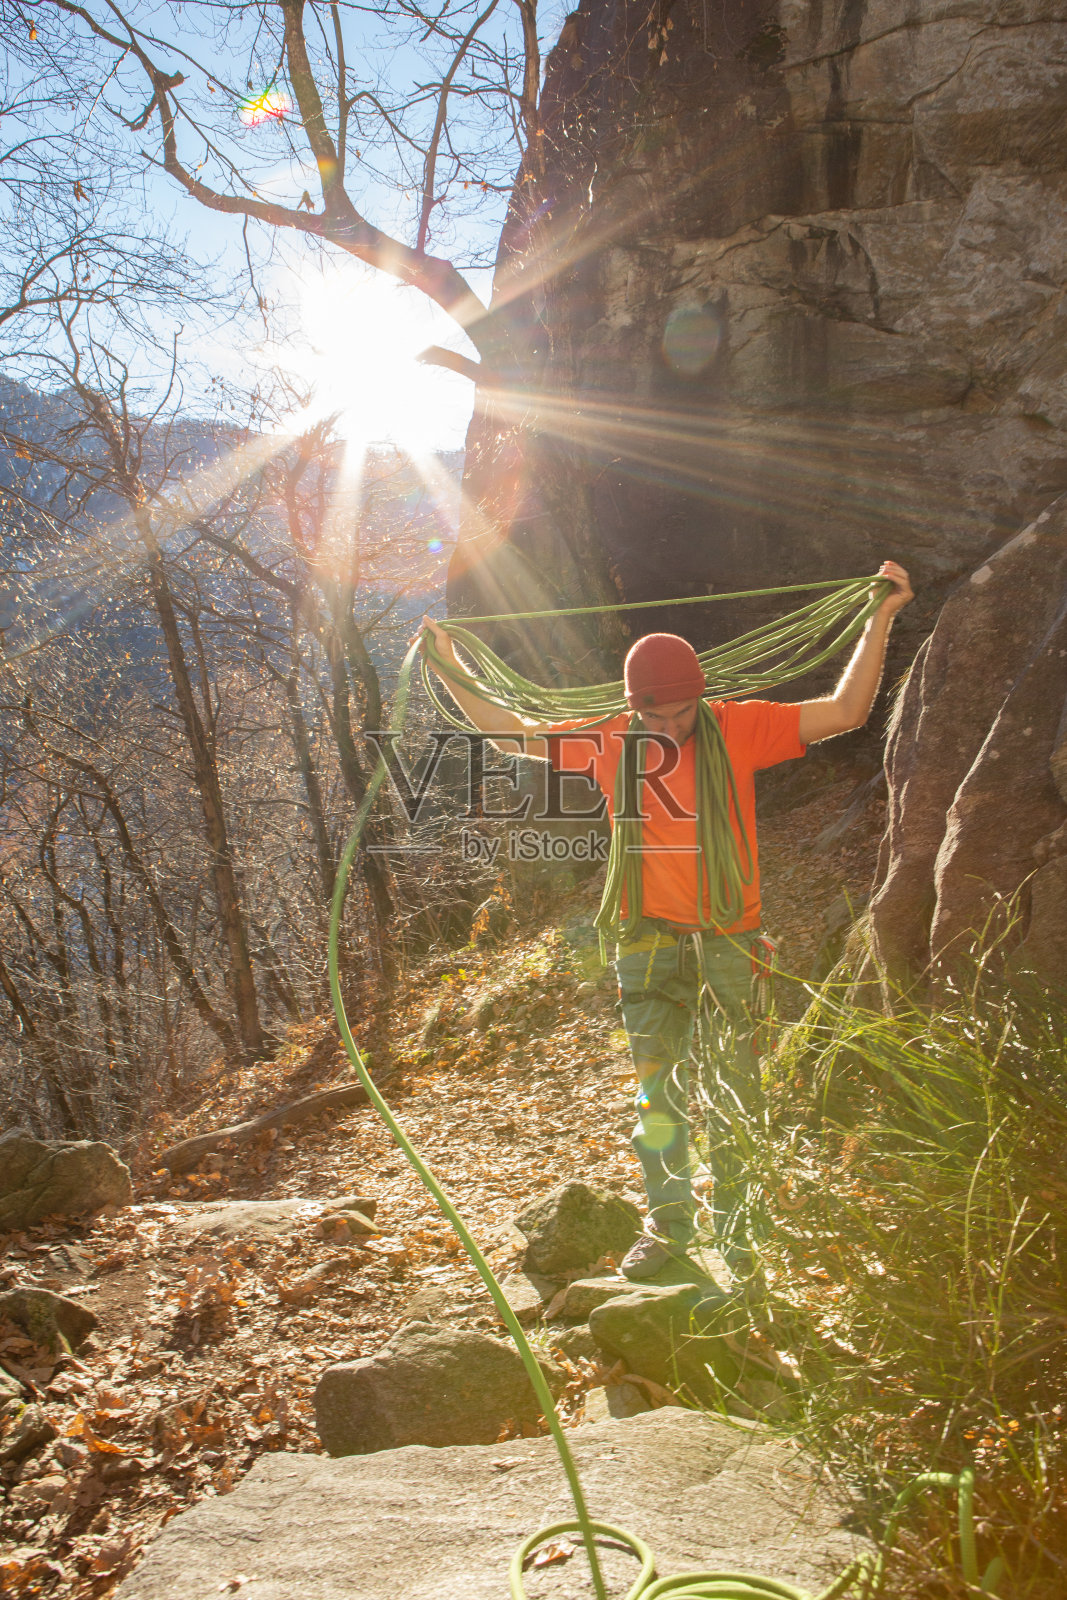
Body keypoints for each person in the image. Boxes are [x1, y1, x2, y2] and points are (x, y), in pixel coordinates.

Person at [422, 561, 913, 1281]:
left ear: (699, 698)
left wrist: (882, 616)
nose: (665, 728)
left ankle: (742, 1232)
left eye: (677, 715)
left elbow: (844, 712)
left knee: (736, 1090)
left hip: (728, 939)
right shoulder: (610, 738)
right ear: (632, 706)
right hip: (645, 940)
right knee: (659, 1096)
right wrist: (447, 661)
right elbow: (506, 729)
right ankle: (670, 1227)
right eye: (651, 716)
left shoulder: (739, 727)